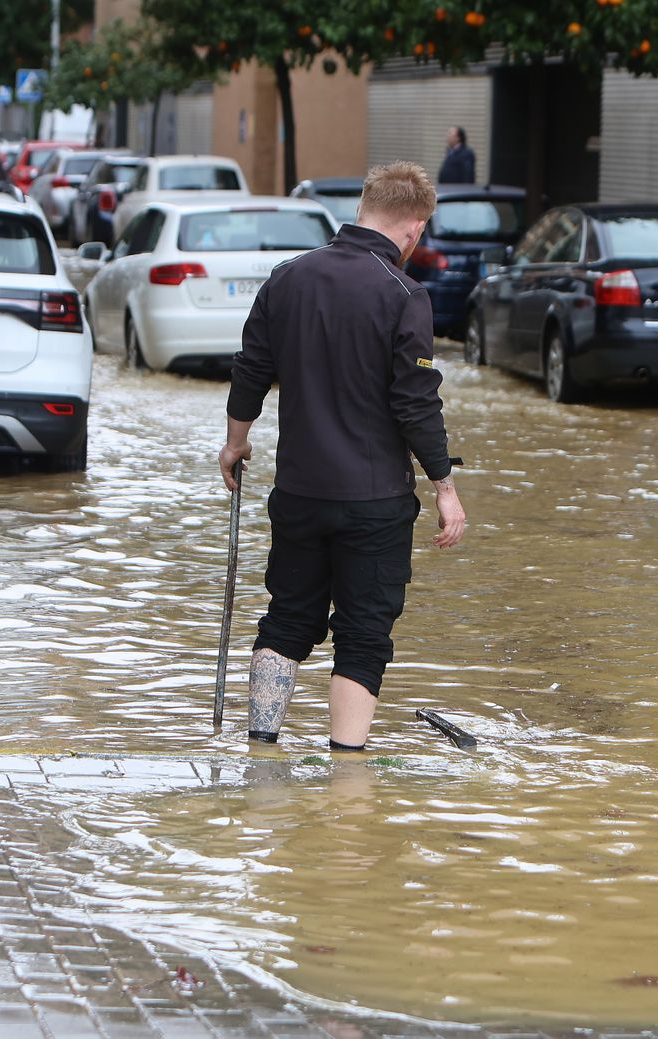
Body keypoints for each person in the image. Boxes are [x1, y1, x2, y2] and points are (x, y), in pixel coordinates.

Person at [217, 160, 467, 752]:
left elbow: (250, 370)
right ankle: (347, 776)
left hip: (299, 492)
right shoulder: (404, 294)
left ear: (362, 209)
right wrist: (444, 486)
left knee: (287, 618)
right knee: (363, 634)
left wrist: (235, 442)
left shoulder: (287, 278)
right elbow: (415, 402)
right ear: (414, 228)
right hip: (375, 502)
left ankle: (261, 748)